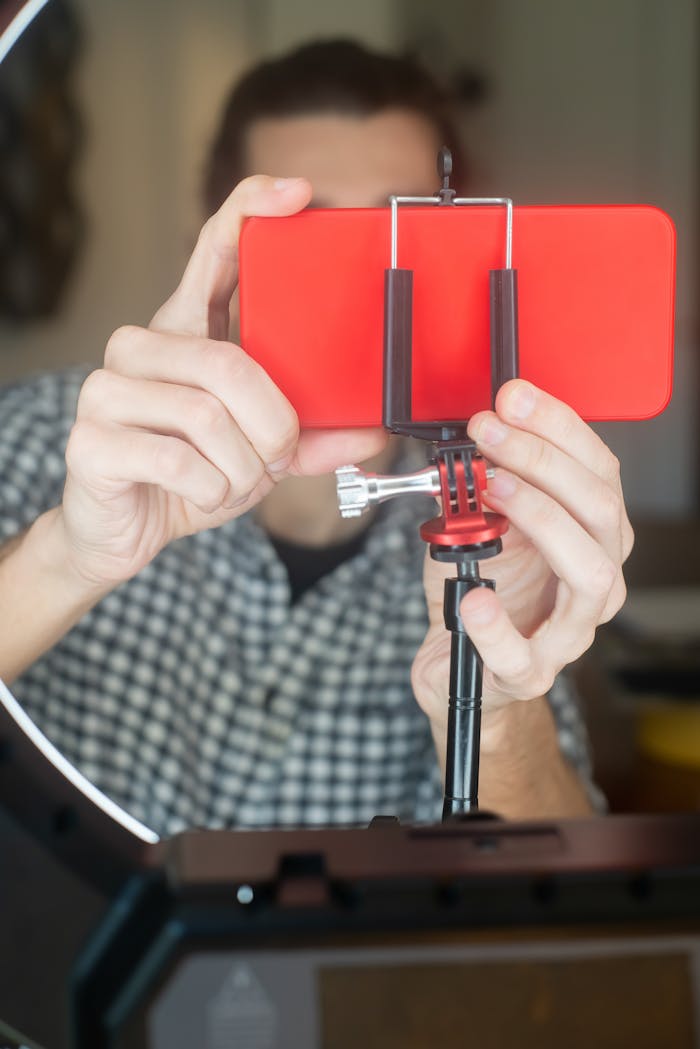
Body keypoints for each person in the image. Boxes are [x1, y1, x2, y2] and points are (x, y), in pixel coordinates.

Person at [0, 40, 631, 834]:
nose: (369, 296)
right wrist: (66, 558)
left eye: (397, 235)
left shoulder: (497, 523)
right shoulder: (34, 444)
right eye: (321, 242)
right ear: (222, 243)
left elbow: (561, 921)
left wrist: (497, 707)